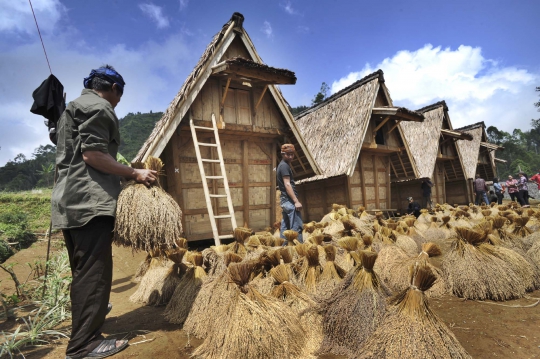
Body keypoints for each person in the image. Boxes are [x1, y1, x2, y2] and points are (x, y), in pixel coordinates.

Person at [51, 65, 157, 359]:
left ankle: (89, 319)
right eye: (119, 95)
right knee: (95, 275)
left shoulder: (73, 108)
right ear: (113, 89)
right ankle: (84, 345)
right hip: (90, 204)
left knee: (83, 273)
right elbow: (94, 155)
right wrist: (134, 173)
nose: (118, 101)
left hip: (69, 204)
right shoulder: (99, 107)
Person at [276, 144, 303, 244]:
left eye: (292, 154)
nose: (291, 157)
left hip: (284, 199)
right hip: (289, 200)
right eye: (288, 154)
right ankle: (299, 250)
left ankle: (283, 250)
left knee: (285, 226)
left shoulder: (283, 165)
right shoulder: (284, 166)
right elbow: (287, 184)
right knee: (297, 226)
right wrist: (296, 201)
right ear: (283, 154)